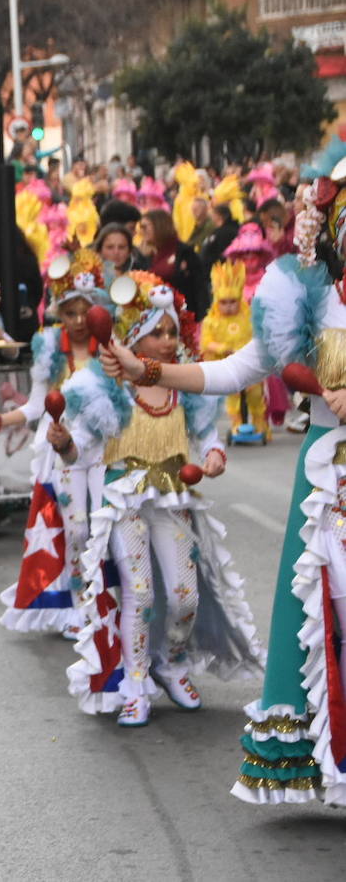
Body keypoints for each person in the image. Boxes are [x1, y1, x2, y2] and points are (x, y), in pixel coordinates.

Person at [103, 164, 346, 802]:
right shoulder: (308, 298)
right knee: (329, 619)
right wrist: (145, 367)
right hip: (327, 483)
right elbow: (234, 369)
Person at [57, 273, 261, 727]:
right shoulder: (104, 390)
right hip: (124, 502)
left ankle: (171, 662)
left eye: (173, 332)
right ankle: (135, 681)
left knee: (184, 596)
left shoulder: (185, 388)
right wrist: (61, 443)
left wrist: (213, 457)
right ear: (132, 337)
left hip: (173, 498)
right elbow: (80, 450)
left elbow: (210, 437)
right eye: (157, 332)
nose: (168, 341)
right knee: (140, 592)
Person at [0, 250, 108, 637]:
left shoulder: (109, 346)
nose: (79, 321)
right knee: (75, 527)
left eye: (86, 312)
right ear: (58, 314)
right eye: (70, 313)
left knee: (104, 523)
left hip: (102, 449)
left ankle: (103, 600)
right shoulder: (50, 349)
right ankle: (79, 603)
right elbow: (36, 406)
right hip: (61, 451)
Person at [200, 260, 267, 441]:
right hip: (227, 364)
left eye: (233, 302)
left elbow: (257, 336)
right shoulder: (211, 321)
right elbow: (206, 342)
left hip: (249, 364)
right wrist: (223, 348)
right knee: (233, 398)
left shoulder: (248, 318)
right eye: (224, 302)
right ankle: (237, 424)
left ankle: (260, 422)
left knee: (254, 395)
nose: (228, 306)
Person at [138, 208, 208, 317]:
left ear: (160, 226)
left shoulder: (184, 253)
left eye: (145, 226)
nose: (142, 231)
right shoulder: (146, 255)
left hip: (183, 316)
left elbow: (200, 289)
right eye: (140, 227)